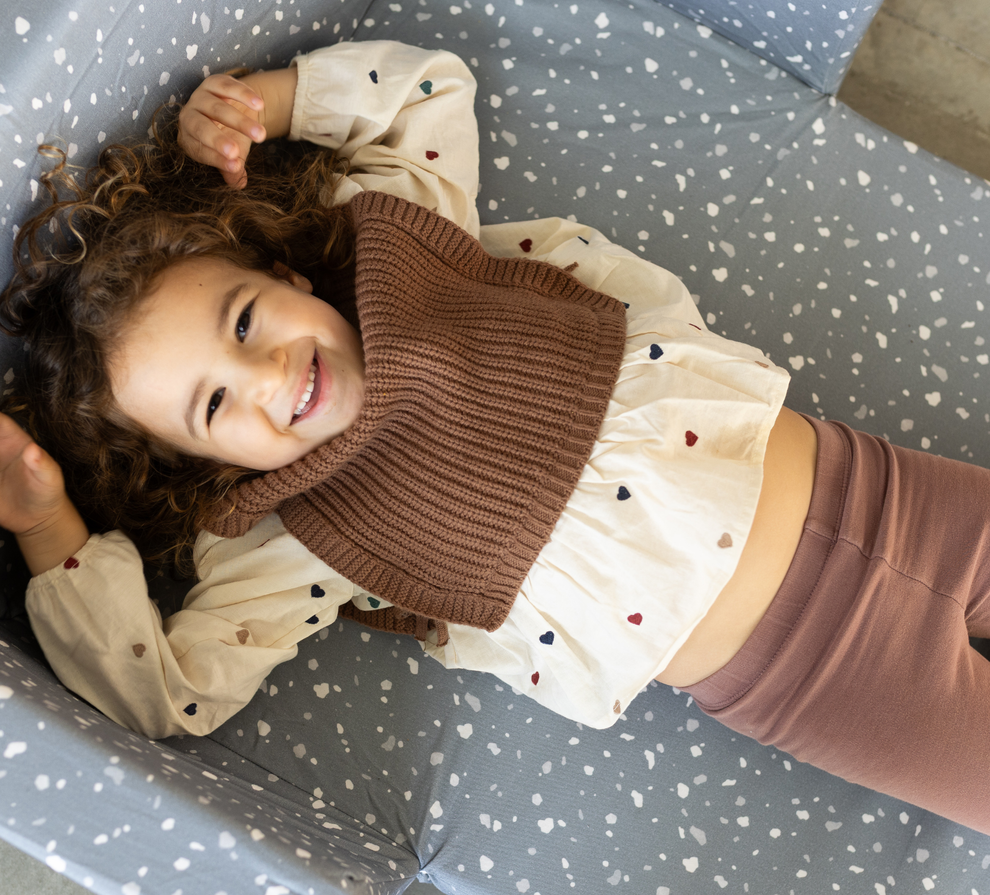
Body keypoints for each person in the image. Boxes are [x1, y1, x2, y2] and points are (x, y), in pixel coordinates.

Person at [2, 40, 989, 835]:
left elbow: (428, 92)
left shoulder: (403, 241)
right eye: (215, 407)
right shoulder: (284, 539)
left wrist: (263, 101)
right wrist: (49, 528)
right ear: (210, 466)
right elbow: (168, 697)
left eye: (246, 321)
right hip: (814, 676)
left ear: (284, 277)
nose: (266, 377)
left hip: (880, 492)